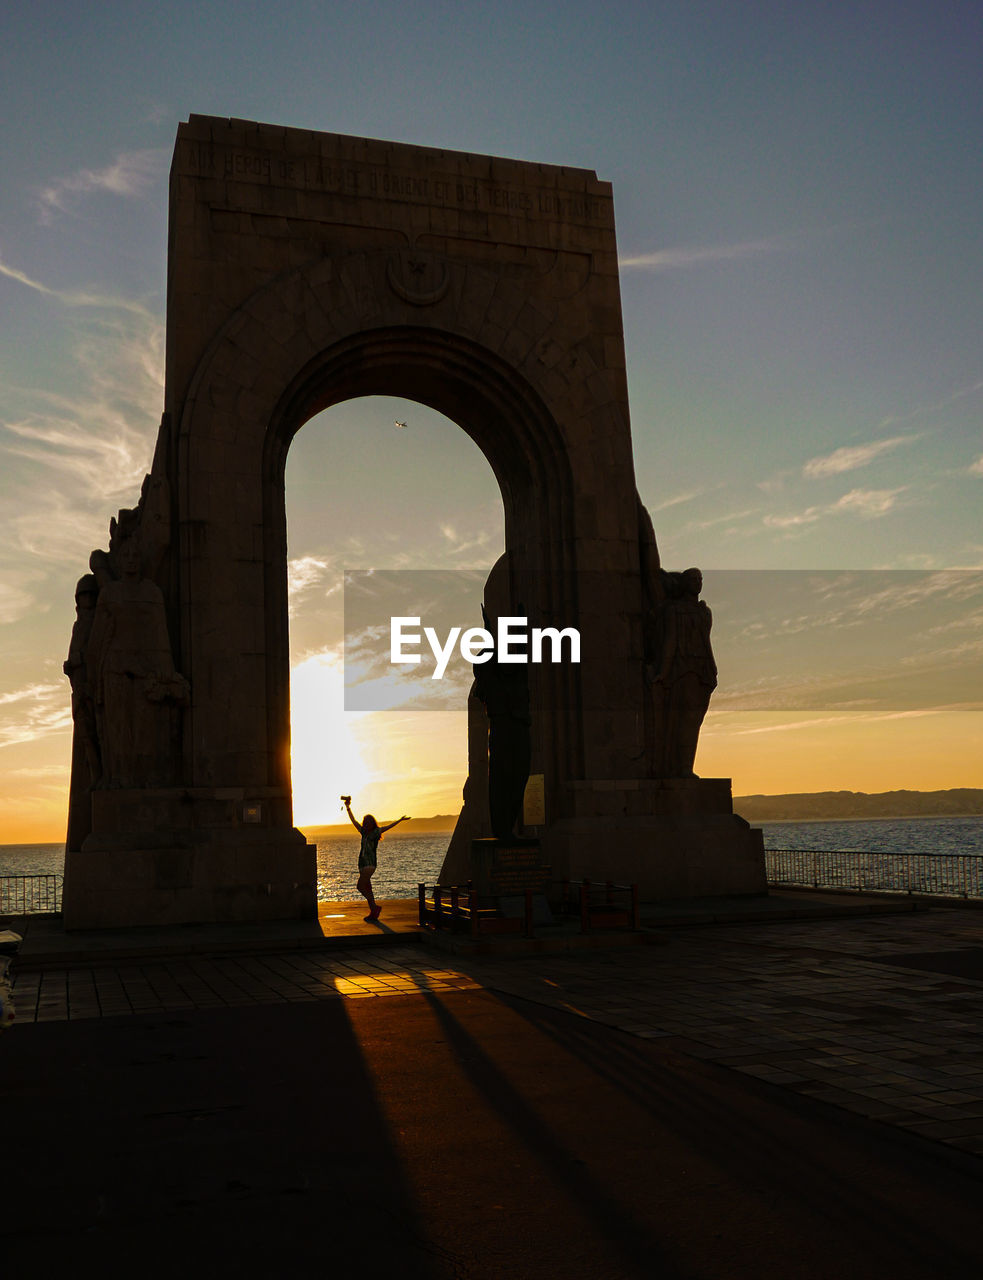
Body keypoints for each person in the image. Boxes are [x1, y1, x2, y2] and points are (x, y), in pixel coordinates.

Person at [342, 798, 410, 921]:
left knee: (360, 886)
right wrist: (348, 807)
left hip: (369, 865)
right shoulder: (363, 832)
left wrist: (399, 820)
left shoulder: (375, 832)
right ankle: (373, 913)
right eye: (365, 821)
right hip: (362, 865)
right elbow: (353, 820)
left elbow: (388, 827)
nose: (365, 823)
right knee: (367, 887)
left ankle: (374, 907)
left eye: (368, 822)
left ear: (373, 823)